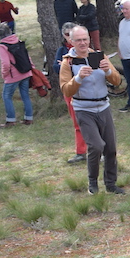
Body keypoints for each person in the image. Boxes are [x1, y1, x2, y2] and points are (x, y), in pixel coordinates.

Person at [60, 25, 125, 195]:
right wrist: (78, 78)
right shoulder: (68, 62)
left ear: (89, 39)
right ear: (71, 41)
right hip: (83, 109)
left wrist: (108, 70)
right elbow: (66, 90)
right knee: (96, 146)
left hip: (103, 107)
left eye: (85, 39)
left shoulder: (100, 56)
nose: (82, 43)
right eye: (78, 40)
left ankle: (111, 184)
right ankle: (93, 184)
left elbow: (118, 81)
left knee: (110, 148)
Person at [54, 22, 88, 163]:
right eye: (67, 35)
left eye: (71, 34)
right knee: (77, 122)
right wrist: (63, 66)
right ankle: (81, 152)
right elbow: (55, 67)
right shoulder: (62, 51)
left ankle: (99, 150)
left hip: (87, 91)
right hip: (71, 91)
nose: (69, 38)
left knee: (95, 122)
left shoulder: (86, 50)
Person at [0, 23, 34, 128]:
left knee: (6, 96)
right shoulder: (18, 40)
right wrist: (32, 67)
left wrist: (4, 74)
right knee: (25, 95)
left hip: (13, 75)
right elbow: (27, 56)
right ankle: (29, 118)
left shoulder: (2, 46)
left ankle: (10, 120)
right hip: (26, 72)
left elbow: (5, 64)